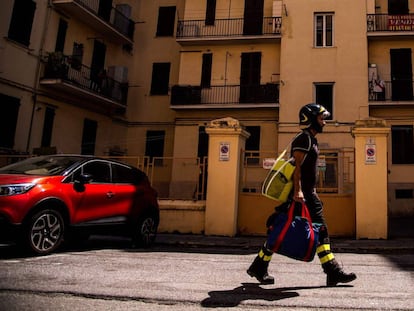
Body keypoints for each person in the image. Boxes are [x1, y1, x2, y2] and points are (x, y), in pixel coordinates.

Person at [247, 103, 357, 287]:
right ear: (312, 118)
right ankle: (332, 271)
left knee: (283, 228)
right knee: (306, 229)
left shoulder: (311, 140)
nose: (325, 122)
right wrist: (298, 191)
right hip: (301, 195)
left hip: (307, 194)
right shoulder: (303, 139)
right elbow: (296, 167)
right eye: (322, 118)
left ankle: (259, 265)